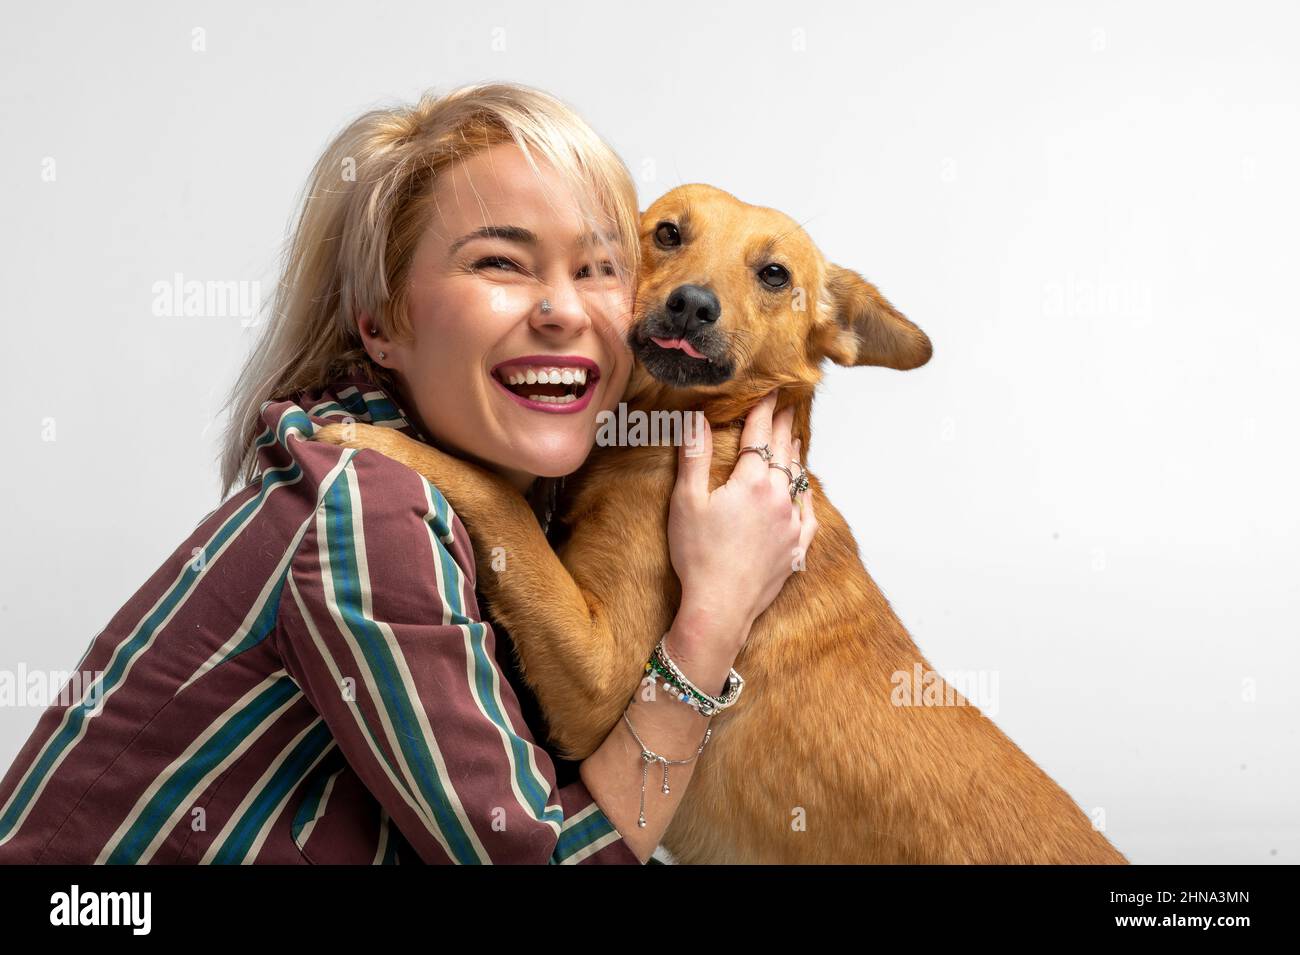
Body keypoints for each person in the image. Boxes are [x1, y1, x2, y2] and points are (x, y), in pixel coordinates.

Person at [0, 83, 815, 864]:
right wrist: (714, 615)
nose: (563, 309)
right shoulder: (366, 507)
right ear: (383, 321)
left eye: (600, 267)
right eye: (501, 262)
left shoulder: (527, 509)